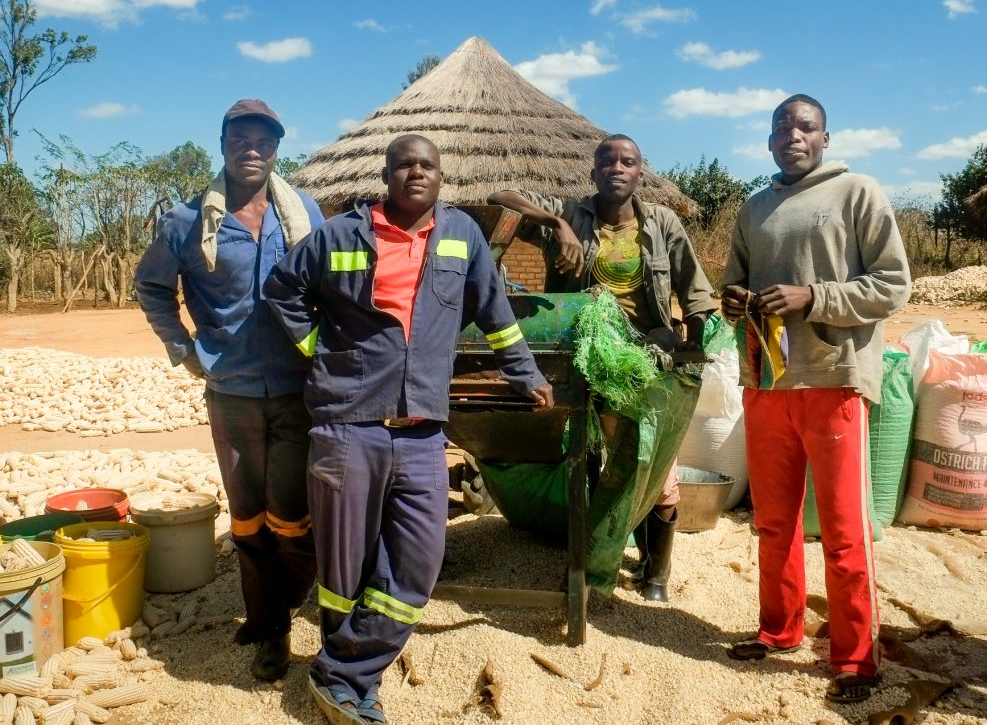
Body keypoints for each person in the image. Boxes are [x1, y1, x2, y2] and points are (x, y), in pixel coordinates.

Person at [264, 134, 553, 725]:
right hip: (348, 424)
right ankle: (352, 680)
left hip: (422, 431)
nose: (415, 173)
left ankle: (341, 669)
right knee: (343, 568)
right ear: (387, 175)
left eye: (426, 165)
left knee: (419, 557)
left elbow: (495, 312)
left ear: (442, 177)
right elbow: (282, 290)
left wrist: (525, 374)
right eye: (403, 165)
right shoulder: (341, 234)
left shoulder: (462, 236)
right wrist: (321, 349)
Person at [720, 94, 911, 704]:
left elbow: (893, 285)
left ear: (825, 137)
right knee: (773, 522)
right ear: (769, 140)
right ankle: (779, 630)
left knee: (843, 527)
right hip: (768, 383)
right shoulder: (754, 208)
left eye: (805, 126)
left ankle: (855, 656)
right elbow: (736, 281)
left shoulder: (858, 192)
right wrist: (734, 302)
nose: (792, 135)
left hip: (834, 378)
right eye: (782, 126)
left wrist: (815, 297)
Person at [135, 99, 324, 682]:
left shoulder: (306, 213)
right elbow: (151, 286)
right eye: (240, 139)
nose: (252, 150)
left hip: (297, 387)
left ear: (275, 151)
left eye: (263, 142)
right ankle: (269, 624)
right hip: (233, 390)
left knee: (291, 512)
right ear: (222, 145)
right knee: (246, 516)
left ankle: (290, 599)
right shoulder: (188, 222)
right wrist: (182, 347)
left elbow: (333, 283)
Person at [488, 134, 718, 602]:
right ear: (593, 171)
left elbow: (695, 292)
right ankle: (592, 554)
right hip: (582, 357)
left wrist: (688, 344)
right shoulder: (571, 214)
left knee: (651, 463)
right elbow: (499, 198)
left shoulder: (662, 223)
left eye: (628, 161)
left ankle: (655, 571)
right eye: (607, 160)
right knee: (586, 456)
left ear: (639, 172)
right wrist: (555, 223)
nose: (617, 167)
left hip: (641, 360)